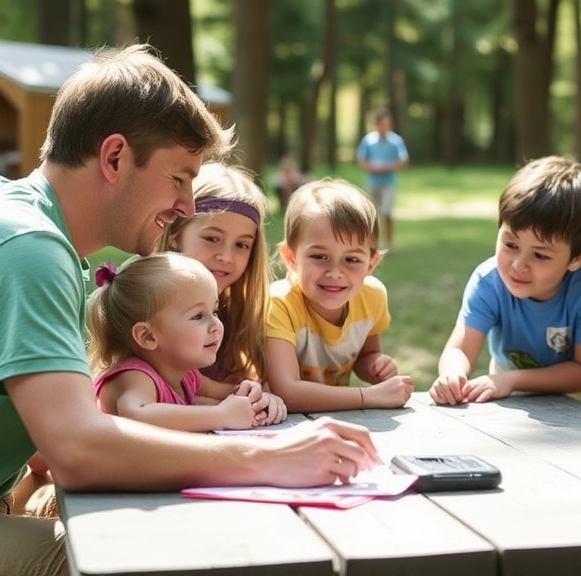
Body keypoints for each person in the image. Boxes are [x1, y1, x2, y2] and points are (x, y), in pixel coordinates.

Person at [0, 44, 378, 576]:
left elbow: (48, 435)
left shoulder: (30, 229)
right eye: (178, 177)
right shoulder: (24, 247)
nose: (187, 205)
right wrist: (272, 459)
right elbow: (79, 453)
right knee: (159, 553)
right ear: (115, 157)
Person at [429, 156, 581, 412]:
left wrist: (513, 380)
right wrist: (452, 373)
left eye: (541, 255)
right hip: (509, 384)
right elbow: (460, 348)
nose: (518, 265)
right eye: (510, 244)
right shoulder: (488, 281)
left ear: (578, 257)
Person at [266, 179, 415, 413]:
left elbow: (366, 354)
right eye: (319, 256)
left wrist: (375, 365)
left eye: (352, 259)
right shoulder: (279, 303)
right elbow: (287, 393)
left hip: (333, 420)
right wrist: (368, 396)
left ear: (371, 264)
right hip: (278, 424)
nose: (335, 272)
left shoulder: (372, 297)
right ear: (291, 257)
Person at [157, 162, 287, 424]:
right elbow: (163, 396)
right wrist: (223, 409)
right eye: (212, 238)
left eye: (241, 245)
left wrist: (262, 397)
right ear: (176, 235)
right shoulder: (149, 303)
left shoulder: (232, 313)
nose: (226, 256)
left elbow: (231, 389)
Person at [87, 253, 268, 431]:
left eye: (214, 312)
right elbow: (136, 415)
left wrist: (255, 395)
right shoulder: (135, 376)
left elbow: (226, 394)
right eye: (198, 316)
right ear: (147, 336)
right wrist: (221, 415)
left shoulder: (186, 374)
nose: (216, 325)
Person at [355, 107, 408, 254]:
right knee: (372, 214)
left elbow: (403, 160)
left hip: (389, 182)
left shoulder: (396, 141)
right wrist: (372, 167)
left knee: (388, 212)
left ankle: (390, 243)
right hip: (372, 181)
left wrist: (387, 166)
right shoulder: (368, 141)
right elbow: (361, 160)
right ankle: (372, 244)